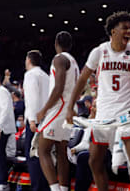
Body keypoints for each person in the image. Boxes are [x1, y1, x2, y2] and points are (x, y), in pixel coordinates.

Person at [66, 11, 130, 191]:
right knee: (94, 161)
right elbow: (82, 79)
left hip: (127, 112)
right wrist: (70, 106)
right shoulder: (99, 51)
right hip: (104, 113)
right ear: (113, 31)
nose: (129, 31)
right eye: (124, 28)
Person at [36, 31, 80, 191]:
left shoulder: (59, 58)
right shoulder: (74, 61)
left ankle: (55, 189)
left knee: (43, 149)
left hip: (60, 108)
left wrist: (44, 109)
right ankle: (63, 188)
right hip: (69, 108)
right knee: (62, 152)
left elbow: (59, 87)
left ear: (56, 44)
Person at [22, 50, 50, 191]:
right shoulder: (46, 76)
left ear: (29, 60)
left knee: (33, 156)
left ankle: (37, 188)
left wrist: (32, 120)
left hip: (36, 121)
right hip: (47, 120)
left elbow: (32, 98)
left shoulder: (30, 75)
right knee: (44, 156)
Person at [0, 72, 17, 191]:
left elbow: (5, 110)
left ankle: (3, 183)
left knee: (0, 156)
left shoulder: (1, 91)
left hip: (3, 129)